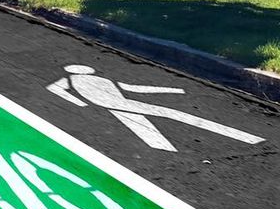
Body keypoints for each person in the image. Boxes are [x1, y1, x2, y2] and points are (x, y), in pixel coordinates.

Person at [46, 65, 264, 152]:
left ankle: (163, 147)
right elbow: (58, 90)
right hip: (111, 102)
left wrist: (169, 90)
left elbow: (131, 88)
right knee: (172, 113)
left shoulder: (97, 80)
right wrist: (80, 102)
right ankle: (240, 135)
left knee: (139, 124)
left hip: (115, 102)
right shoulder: (72, 80)